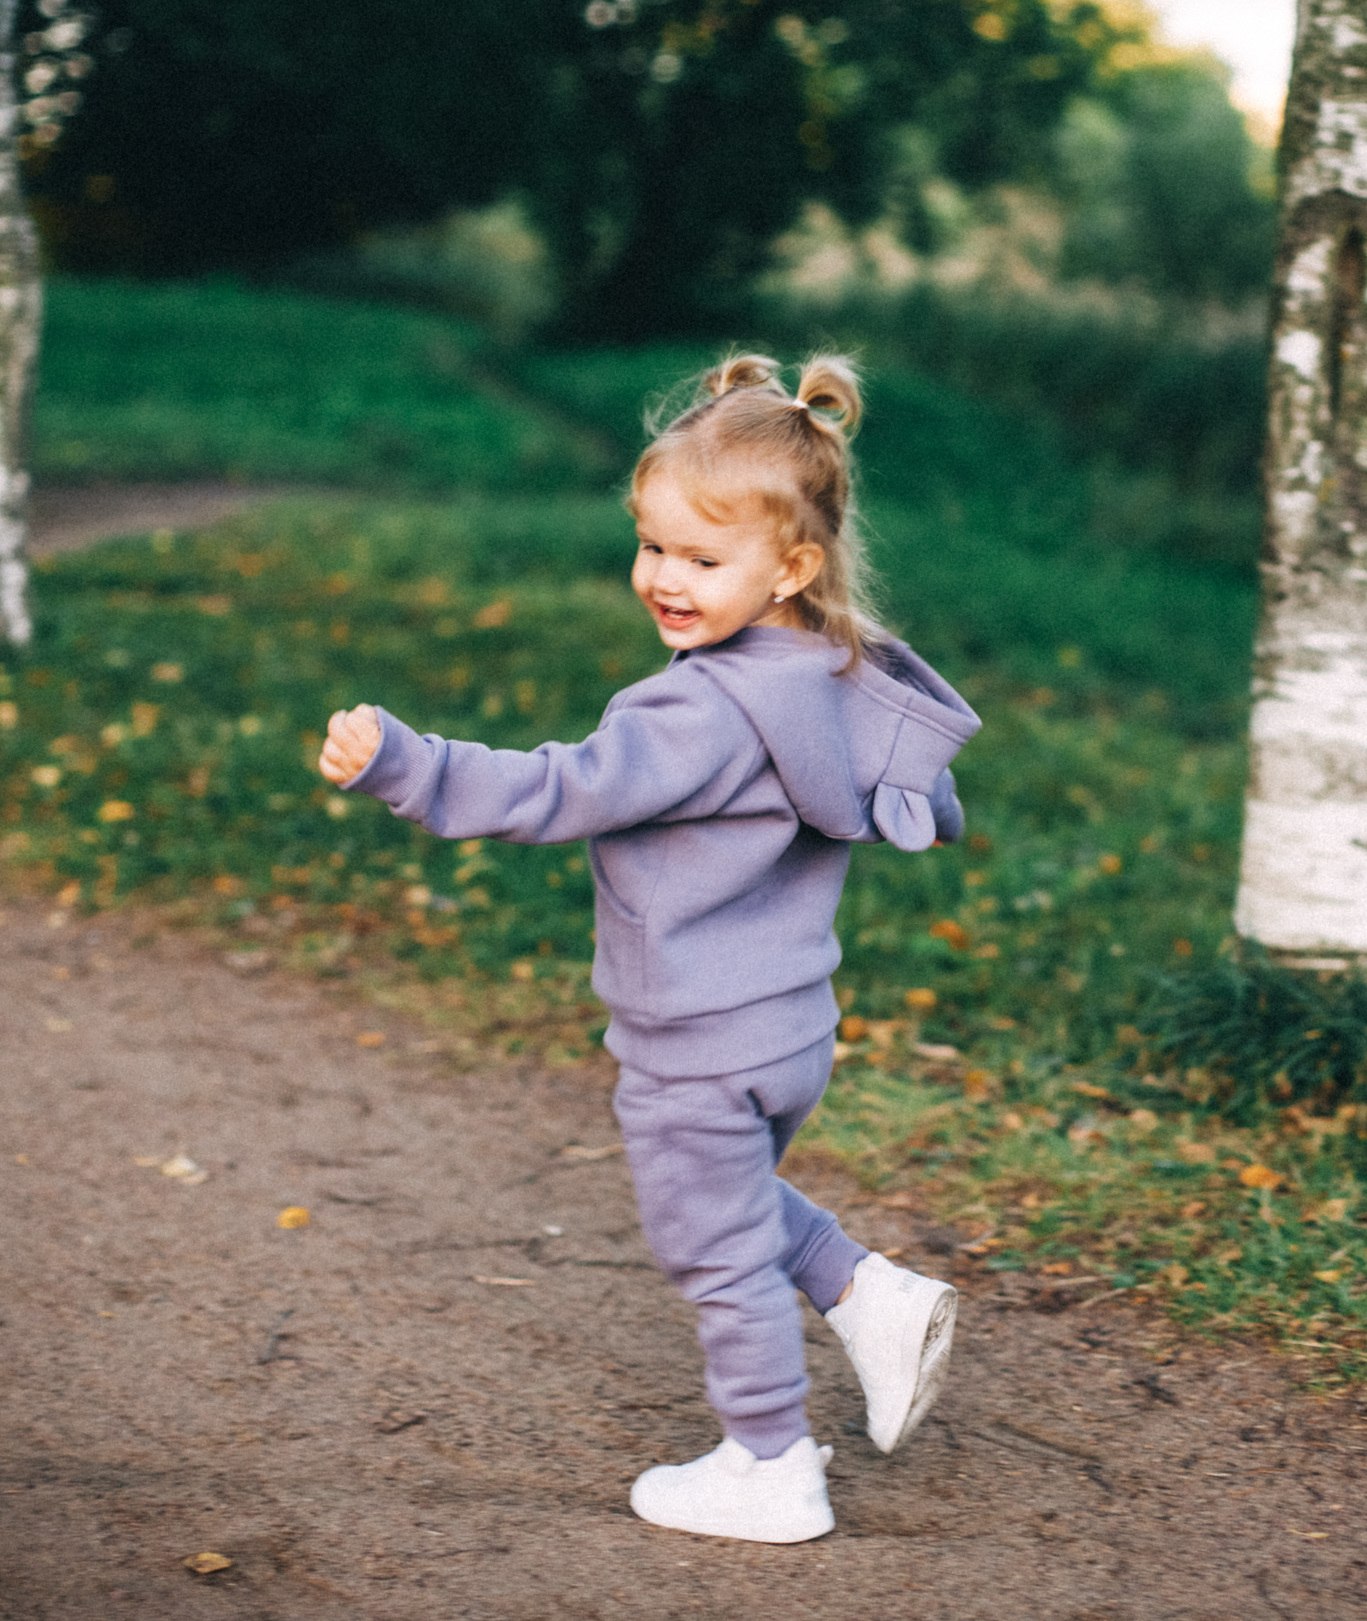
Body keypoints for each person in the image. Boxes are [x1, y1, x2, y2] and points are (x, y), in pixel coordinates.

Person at [315, 353, 976, 1545]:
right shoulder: (822, 675)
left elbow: (564, 788)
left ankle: (771, 1465)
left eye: (700, 559)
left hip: (696, 1039)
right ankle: (869, 1295)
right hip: (786, 1032)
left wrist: (411, 767)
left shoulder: (695, 709)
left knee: (706, 1243)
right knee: (727, 1201)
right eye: (653, 547)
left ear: (792, 567)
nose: (664, 579)